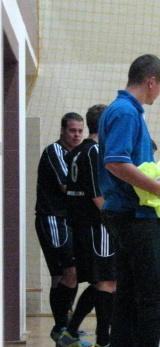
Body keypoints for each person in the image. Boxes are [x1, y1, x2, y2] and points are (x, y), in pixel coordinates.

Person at [98, 54, 160, 347]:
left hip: (125, 216)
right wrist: (156, 187)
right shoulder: (126, 112)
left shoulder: (119, 110)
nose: (159, 92)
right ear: (151, 81)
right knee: (154, 295)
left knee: (128, 295)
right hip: (137, 217)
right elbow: (115, 162)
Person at [58, 104, 116, 347]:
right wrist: (116, 221)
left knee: (99, 282)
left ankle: (70, 332)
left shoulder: (75, 151)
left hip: (81, 226)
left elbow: (70, 190)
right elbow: (96, 195)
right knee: (107, 283)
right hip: (96, 226)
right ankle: (103, 340)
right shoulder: (94, 151)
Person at [34, 112, 85, 344]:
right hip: (53, 218)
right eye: (73, 130)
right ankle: (62, 326)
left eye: (80, 131)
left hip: (69, 220)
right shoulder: (54, 151)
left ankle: (63, 325)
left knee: (63, 276)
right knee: (68, 272)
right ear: (63, 130)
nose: (76, 135)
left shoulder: (77, 154)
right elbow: (67, 186)